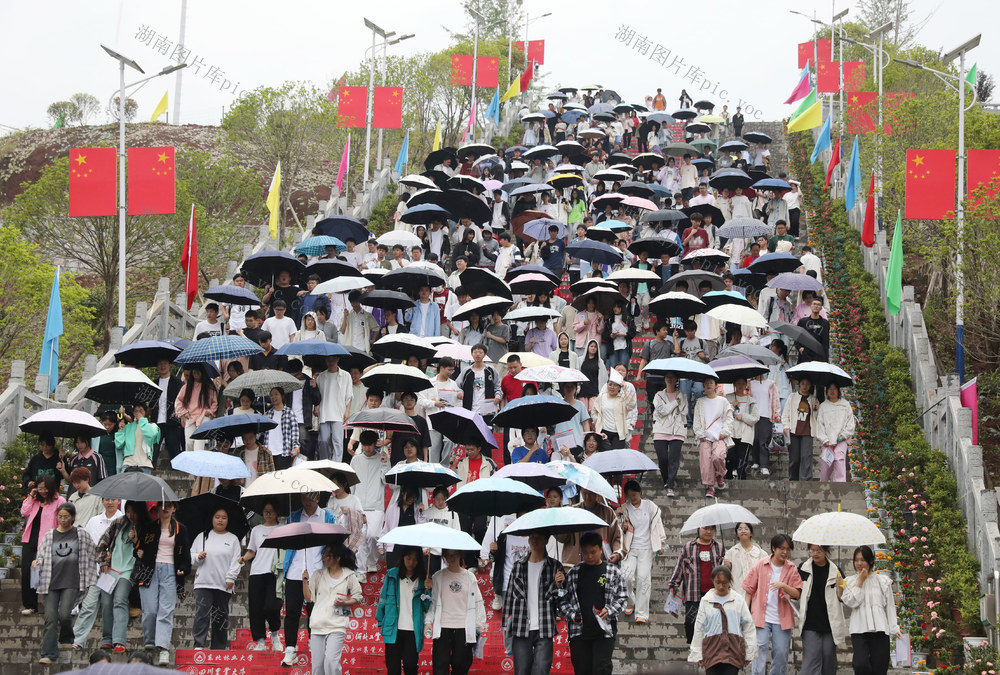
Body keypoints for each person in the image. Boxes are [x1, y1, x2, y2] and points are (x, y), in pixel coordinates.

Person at [34, 502, 98, 664]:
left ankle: (67, 637)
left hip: (72, 580)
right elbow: (41, 554)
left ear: (73, 518)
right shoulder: (49, 535)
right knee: (50, 618)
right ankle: (48, 654)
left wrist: (105, 559)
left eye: (66, 517)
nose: (62, 520)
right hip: (51, 581)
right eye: (60, 517)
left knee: (64, 614)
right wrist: (36, 562)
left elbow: (94, 551)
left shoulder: (81, 534)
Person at [557, 531, 629, 675]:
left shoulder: (612, 571)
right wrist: (572, 615)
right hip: (579, 632)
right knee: (581, 669)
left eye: (593, 552)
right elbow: (563, 601)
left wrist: (609, 610)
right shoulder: (574, 573)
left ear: (601, 549)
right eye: (585, 552)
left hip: (604, 630)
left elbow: (622, 597)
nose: (589, 556)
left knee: (601, 668)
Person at [135, 501, 190, 665]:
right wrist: (137, 547)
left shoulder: (181, 529)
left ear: (174, 509)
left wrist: (183, 569)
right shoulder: (149, 527)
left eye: (169, 506)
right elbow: (138, 550)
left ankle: (164, 648)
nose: (165, 509)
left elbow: (185, 555)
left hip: (171, 571)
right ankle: (150, 640)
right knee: (150, 610)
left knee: (165, 610)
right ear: (157, 508)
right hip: (149, 570)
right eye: (162, 505)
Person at [503, 533, 565, 675]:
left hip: (544, 627)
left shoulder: (555, 566)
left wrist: (560, 586)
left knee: (541, 670)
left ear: (546, 539)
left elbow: (562, 598)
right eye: (531, 537)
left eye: (538, 537)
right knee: (521, 671)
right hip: (521, 626)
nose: (533, 540)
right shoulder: (518, 566)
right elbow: (510, 595)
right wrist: (505, 624)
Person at [742, 534, 802, 675]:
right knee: (759, 650)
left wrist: (784, 586)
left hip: (782, 618)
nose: (785, 552)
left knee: (781, 653)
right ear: (773, 548)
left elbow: (797, 593)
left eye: (788, 549)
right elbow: (749, 590)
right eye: (781, 548)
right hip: (761, 616)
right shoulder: (761, 564)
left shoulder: (792, 568)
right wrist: (745, 613)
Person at [425, 548, 487, 675]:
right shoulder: (437, 576)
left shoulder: (470, 577)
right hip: (443, 627)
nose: (451, 558)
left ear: (460, 555)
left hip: (463, 628)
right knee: (440, 666)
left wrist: (478, 625)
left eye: (455, 555)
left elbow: (478, 602)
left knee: (461, 665)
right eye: (448, 555)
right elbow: (433, 602)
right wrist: (428, 621)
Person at [303, 543, 362, 675]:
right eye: (323, 555)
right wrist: (304, 581)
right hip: (318, 624)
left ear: (337, 558)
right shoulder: (318, 575)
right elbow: (308, 598)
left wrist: (345, 602)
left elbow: (357, 596)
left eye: (327, 555)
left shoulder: (348, 575)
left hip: (337, 624)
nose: (323, 558)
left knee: (331, 662)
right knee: (317, 667)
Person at [842, 546, 901, 675]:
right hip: (859, 630)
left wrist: (894, 628)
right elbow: (851, 602)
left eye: (862, 560)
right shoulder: (850, 581)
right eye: (856, 560)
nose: (859, 563)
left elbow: (890, 606)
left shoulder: (882, 581)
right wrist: (860, 582)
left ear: (870, 561)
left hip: (880, 629)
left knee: (879, 668)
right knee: (860, 664)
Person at [688, 565, 757, 675]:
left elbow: (748, 627)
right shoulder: (706, 601)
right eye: (718, 582)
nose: (721, 586)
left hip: (733, 649)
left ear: (730, 581)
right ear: (713, 581)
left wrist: (749, 652)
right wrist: (697, 652)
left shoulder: (738, 600)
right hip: (711, 649)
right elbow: (699, 627)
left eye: (724, 583)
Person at [190, 507, 243, 650]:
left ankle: (218, 647)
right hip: (203, 582)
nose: (220, 520)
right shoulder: (202, 536)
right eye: (217, 517)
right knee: (202, 613)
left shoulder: (233, 539)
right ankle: (198, 644)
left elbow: (237, 560)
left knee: (220, 617)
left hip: (223, 584)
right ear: (212, 518)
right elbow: (191, 556)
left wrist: (231, 578)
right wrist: (197, 556)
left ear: (228, 520)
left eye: (224, 517)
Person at [668, 525, 725, 644]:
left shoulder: (719, 547)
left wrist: (728, 565)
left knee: (713, 622)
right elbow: (680, 567)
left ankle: (709, 648)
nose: (708, 532)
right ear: (698, 529)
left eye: (711, 529)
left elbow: (725, 570)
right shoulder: (689, 547)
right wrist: (674, 584)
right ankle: (694, 646)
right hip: (693, 592)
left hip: (714, 593)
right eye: (705, 528)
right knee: (690, 621)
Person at [378, 546, 431, 675]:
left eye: (415, 560)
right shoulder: (391, 575)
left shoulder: (423, 579)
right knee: (393, 668)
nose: (411, 563)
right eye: (408, 559)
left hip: (413, 629)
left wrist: (428, 590)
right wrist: (380, 622)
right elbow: (383, 599)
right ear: (402, 558)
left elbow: (428, 607)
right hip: (393, 627)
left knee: (411, 665)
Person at [239, 500, 283, 651]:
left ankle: (275, 635)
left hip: (274, 572)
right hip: (257, 572)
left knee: (272, 606)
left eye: (271, 511)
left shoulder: (282, 529)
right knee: (256, 608)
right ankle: (260, 641)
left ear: (277, 512)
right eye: (265, 511)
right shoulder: (257, 530)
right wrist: (243, 558)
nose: (268, 514)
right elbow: (252, 550)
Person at [797, 544, 847, 675]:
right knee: (812, 657)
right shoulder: (803, 569)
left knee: (828, 657)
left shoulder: (836, 571)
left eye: (818, 551)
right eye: (812, 550)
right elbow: (796, 590)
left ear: (825, 551)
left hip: (830, 623)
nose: (815, 554)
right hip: (810, 622)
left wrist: (840, 586)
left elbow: (844, 598)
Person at [619, 481, 665, 624]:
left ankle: (641, 613)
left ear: (640, 493)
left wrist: (660, 542)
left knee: (644, 579)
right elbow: (618, 528)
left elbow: (658, 525)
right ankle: (630, 601)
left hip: (646, 548)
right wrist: (622, 522)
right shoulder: (624, 508)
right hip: (630, 548)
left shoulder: (650, 506)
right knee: (625, 576)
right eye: (629, 495)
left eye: (635, 494)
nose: (632, 498)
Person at [20, 474, 65, 616]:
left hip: (48, 541)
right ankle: (30, 605)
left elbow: (62, 521)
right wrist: (31, 496)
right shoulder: (34, 500)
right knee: (27, 572)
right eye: (40, 488)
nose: (43, 491)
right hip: (30, 540)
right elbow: (24, 512)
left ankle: (53, 605)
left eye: (45, 489)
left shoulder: (59, 501)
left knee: (49, 573)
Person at [693, 376, 734, 497]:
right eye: (706, 383)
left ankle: (720, 474)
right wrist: (700, 434)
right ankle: (710, 486)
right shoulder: (700, 402)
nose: (708, 385)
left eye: (711, 383)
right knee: (706, 461)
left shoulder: (723, 401)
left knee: (718, 456)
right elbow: (697, 420)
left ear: (716, 385)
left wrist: (724, 432)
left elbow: (729, 418)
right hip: (705, 437)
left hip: (719, 436)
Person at [652, 373, 687, 496]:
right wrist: (674, 403)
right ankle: (666, 479)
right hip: (661, 429)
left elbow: (685, 411)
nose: (670, 379)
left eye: (672, 377)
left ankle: (670, 484)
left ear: (677, 379)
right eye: (667, 377)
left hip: (677, 430)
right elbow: (661, 411)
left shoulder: (682, 395)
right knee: (662, 458)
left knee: (673, 459)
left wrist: (680, 400)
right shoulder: (658, 395)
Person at [815, 383, 856, 482]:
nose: (832, 391)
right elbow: (820, 425)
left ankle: (840, 485)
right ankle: (823, 484)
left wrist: (843, 435)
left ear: (838, 391)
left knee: (839, 460)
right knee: (826, 463)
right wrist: (824, 440)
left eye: (834, 389)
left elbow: (850, 423)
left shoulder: (845, 405)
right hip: (827, 441)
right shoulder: (823, 406)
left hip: (841, 439)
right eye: (830, 389)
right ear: (827, 391)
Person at [316, 354, 353, 462]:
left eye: (333, 359)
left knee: (337, 441)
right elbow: (317, 395)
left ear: (338, 359)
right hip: (324, 411)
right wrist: (316, 407)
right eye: (328, 359)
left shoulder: (345, 375)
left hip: (339, 412)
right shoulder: (321, 376)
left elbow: (349, 395)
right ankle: (324, 462)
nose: (331, 361)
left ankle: (336, 465)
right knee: (323, 440)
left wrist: (347, 411)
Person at [175, 364, 218, 453]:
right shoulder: (186, 387)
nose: (196, 373)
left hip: (203, 417)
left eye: (198, 371)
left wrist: (209, 412)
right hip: (190, 417)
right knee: (189, 443)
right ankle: (190, 466)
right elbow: (178, 401)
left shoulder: (209, 387)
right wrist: (184, 412)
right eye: (194, 371)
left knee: (199, 445)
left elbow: (215, 403)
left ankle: (198, 464)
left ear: (203, 372)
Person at [782, 377, 818, 481]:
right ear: (799, 384)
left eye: (807, 384)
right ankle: (793, 480)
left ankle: (805, 481)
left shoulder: (813, 399)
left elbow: (816, 419)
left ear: (810, 385)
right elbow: (785, 414)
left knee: (806, 457)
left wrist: (815, 409)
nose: (805, 386)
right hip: (794, 432)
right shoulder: (792, 397)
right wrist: (785, 426)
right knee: (794, 459)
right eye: (803, 383)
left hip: (807, 432)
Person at [593, 370, 636, 451]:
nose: (612, 387)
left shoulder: (622, 398)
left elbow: (632, 405)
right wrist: (597, 421)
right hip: (604, 431)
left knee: (617, 456)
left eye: (615, 385)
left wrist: (625, 390)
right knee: (605, 455)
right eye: (610, 384)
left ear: (619, 387)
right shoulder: (601, 397)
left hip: (618, 433)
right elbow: (594, 411)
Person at [726, 377, 759, 480]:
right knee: (730, 459)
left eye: (742, 384)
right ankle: (728, 478)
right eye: (738, 383)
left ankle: (741, 481)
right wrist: (732, 407)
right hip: (731, 433)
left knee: (742, 460)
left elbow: (755, 417)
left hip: (745, 434)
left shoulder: (751, 400)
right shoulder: (728, 398)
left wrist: (743, 417)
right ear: (734, 384)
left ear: (746, 385)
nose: (740, 386)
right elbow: (722, 415)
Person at [723, 523, 768, 594]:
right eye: (740, 529)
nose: (743, 531)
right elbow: (724, 573)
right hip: (738, 590)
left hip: (757, 590)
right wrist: (728, 566)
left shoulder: (761, 553)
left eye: (746, 529)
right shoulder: (731, 552)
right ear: (737, 534)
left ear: (751, 533)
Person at [115, 402, 159, 474]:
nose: (138, 413)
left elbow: (151, 434)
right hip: (128, 463)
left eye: (141, 411)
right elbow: (119, 444)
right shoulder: (128, 427)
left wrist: (141, 419)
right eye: (136, 411)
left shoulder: (152, 426)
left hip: (144, 464)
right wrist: (120, 430)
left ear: (145, 412)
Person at [457, 344, 501, 415]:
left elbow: (497, 387)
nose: (478, 355)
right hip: (469, 410)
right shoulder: (466, 371)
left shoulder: (491, 370)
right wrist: (459, 392)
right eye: (475, 352)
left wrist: (498, 396)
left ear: (485, 354)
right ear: (472, 354)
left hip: (487, 411)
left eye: (480, 352)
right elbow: (457, 385)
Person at [266, 387, 300, 470]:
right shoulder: (268, 414)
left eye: (276, 394)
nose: (273, 397)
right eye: (271, 395)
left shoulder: (289, 412)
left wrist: (295, 446)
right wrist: (262, 421)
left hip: (284, 451)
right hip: (269, 452)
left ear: (282, 396)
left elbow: (294, 431)